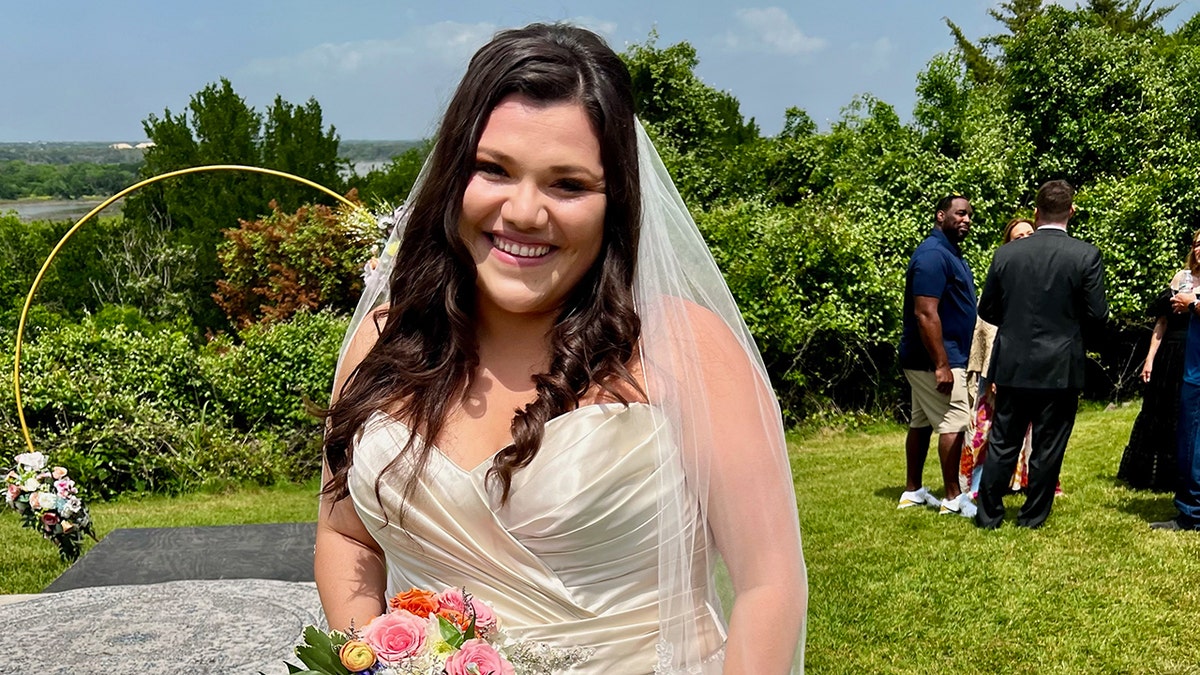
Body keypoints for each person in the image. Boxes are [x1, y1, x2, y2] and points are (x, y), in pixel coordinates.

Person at [314, 23, 806, 674]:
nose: (523, 210)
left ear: (615, 202)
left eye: (567, 185)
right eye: (494, 170)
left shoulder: (682, 350)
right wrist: (373, 660)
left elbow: (770, 585)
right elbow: (344, 534)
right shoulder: (383, 344)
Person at [974, 180, 1108, 530]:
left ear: (1036, 212)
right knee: (1049, 444)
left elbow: (987, 309)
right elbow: (1097, 315)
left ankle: (989, 515)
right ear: (1072, 211)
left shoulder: (1007, 254)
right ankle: (1032, 516)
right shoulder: (1085, 255)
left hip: (1014, 362)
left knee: (1003, 440)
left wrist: (1017, 327)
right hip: (1061, 365)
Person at [961, 218, 1055, 497]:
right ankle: (979, 485)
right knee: (988, 432)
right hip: (999, 373)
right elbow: (988, 329)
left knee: (1036, 431)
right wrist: (996, 372)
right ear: (1008, 245)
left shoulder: (1048, 277)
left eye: (1029, 233)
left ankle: (1024, 481)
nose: (1025, 238)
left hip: (1037, 371)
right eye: (1018, 237)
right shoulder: (1001, 275)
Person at [897, 195, 978, 517]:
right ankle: (953, 498)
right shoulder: (932, 256)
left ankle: (913, 490)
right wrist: (942, 364)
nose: (966, 219)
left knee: (921, 422)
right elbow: (925, 314)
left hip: (934, 358)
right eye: (960, 213)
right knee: (953, 422)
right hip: (937, 360)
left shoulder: (948, 253)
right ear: (940, 215)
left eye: (970, 215)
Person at [1117, 233, 1200, 492]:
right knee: (1159, 410)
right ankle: (1153, 475)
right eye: (1197, 244)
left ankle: (1184, 474)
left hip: (1194, 351)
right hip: (1170, 352)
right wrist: (1150, 358)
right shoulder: (1180, 277)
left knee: (1185, 413)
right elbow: (1161, 322)